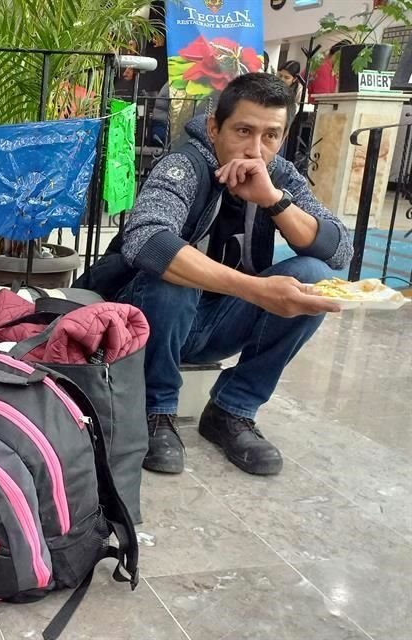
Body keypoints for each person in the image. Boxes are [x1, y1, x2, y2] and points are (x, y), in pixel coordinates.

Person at [112, 73, 352, 477]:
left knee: (313, 275)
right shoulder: (184, 166)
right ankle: (155, 410)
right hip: (147, 325)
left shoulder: (281, 177)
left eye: (271, 136)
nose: (256, 149)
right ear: (213, 127)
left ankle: (232, 411)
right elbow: (146, 241)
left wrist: (275, 202)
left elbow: (339, 249)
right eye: (243, 130)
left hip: (219, 324)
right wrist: (257, 290)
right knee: (172, 278)